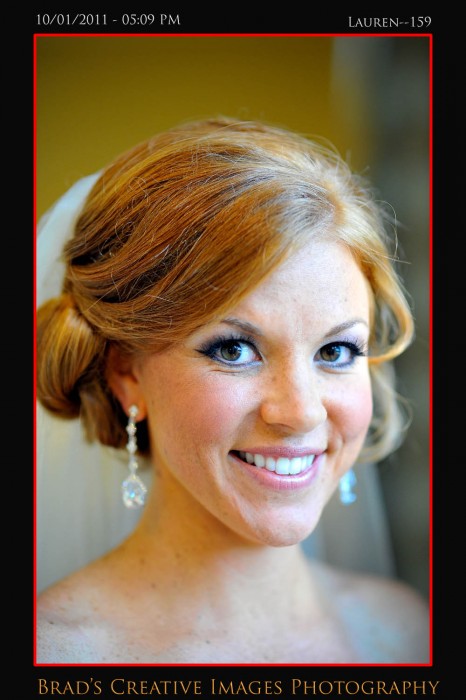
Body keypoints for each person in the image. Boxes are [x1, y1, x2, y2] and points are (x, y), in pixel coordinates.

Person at [35, 116, 429, 663]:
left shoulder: (406, 633)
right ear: (127, 373)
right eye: (234, 350)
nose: (301, 413)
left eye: (336, 351)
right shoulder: (53, 656)